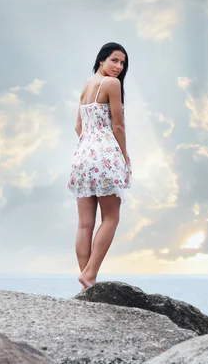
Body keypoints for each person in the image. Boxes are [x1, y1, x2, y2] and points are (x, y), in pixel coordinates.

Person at [67, 42, 131, 290]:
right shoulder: (111, 84)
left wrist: (89, 147)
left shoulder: (86, 85)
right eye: (114, 60)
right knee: (111, 217)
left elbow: (78, 126)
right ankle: (90, 273)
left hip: (82, 156)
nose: (119, 67)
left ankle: (86, 282)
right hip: (105, 154)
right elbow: (118, 126)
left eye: (122, 63)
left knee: (84, 223)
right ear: (102, 59)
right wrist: (123, 156)